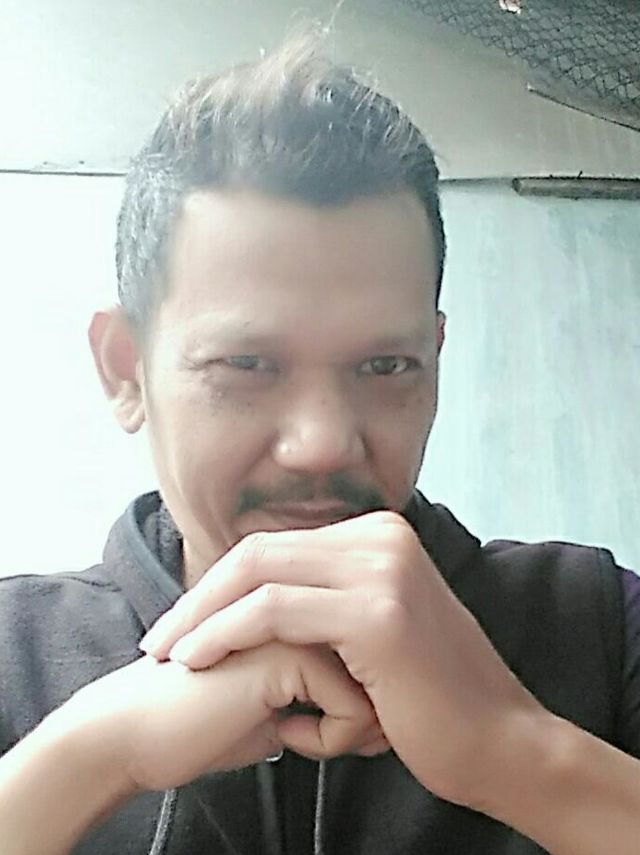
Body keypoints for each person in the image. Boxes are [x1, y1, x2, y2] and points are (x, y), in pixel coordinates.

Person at [0, 33, 639, 855]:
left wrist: (514, 750)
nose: (322, 443)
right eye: (247, 365)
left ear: (434, 360)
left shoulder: (597, 625)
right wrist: (88, 760)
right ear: (126, 370)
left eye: (385, 365)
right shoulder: (14, 654)